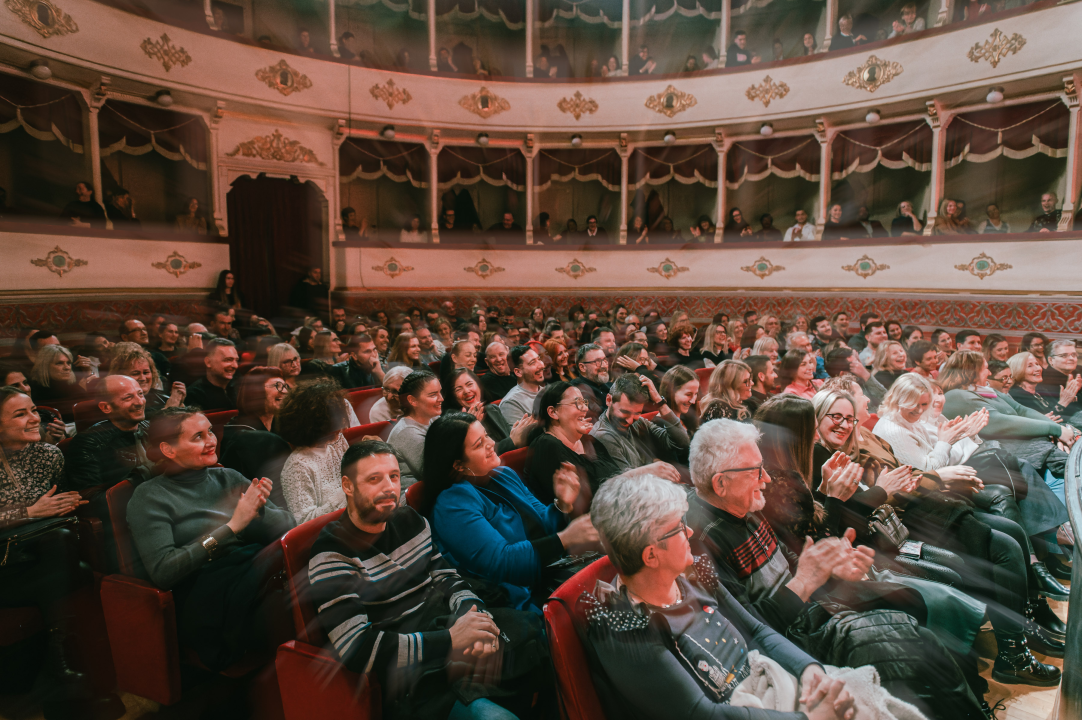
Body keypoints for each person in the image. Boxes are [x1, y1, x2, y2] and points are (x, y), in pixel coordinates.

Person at [685, 417, 989, 720]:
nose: (766, 478)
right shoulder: (702, 542)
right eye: (755, 471)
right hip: (795, 642)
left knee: (924, 633)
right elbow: (749, 629)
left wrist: (833, 567)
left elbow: (795, 562)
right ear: (720, 483)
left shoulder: (746, 506)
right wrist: (807, 578)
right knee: (916, 646)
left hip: (812, 612)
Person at [582, 473, 853, 720]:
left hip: (768, 688)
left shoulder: (695, 573)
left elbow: (757, 631)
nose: (689, 532)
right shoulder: (627, 630)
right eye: (678, 527)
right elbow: (704, 714)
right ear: (651, 555)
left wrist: (810, 671)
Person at [307, 440, 532, 720]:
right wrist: (451, 639)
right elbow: (357, 649)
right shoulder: (331, 554)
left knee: (544, 655)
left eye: (394, 476)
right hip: (414, 681)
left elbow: (447, 577)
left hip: (454, 643)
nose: (389, 487)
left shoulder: (409, 519)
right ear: (348, 486)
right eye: (374, 479)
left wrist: (475, 618)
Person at [128, 408, 295, 670]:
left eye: (210, 432)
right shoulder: (149, 497)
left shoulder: (227, 476)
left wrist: (258, 512)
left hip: (256, 573)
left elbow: (289, 526)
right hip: (206, 596)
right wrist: (231, 527)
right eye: (197, 436)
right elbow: (163, 571)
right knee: (295, 607)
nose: (211, 441)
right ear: (169, 450)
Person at [423, 411, 599, 611]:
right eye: (478, 444)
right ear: (459, 465)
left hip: (550, 571)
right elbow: (502, 564)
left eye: (486, 435)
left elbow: (544, 525)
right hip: (516, 597)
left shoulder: (503, 474)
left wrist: (562, 505)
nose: (491, 443)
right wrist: (565, 538)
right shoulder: (452, 504)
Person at [0, 387, 97, 702]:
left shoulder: (49, 455)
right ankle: (66, 657)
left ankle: (60, 659)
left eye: (32, 410)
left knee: (63, 542)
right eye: (20, 414)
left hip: (46, 555)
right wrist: (28, 512)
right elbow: (40, 510)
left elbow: (59, 508)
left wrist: (70, 504)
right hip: (6, 565)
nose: (33, 419)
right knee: (75, 566)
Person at [524, 382, 622, 508]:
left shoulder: (589, 440)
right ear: (553, 412)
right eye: (577, 403)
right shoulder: (546, 445)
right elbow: (585, 500)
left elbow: (618, 474)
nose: (585, 409)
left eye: (584, 403)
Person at [62, 374, 154, 498]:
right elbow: (90, 497)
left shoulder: (153, 428)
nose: (139, 402)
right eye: (128, 398)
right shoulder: (87, 443)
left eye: (140, 394)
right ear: (106, 407)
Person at [278, 378, 352, 523]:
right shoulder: (298, 466)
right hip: (330, 532)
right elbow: (305, 522)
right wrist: (346, 492)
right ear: (315, 424)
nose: (342, 424)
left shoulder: (337, 441)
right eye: (335, 419)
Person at [218, 368, 292, 505]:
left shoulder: (282, 425)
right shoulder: (239, 434)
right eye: (277, 386)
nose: (285, 391)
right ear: (255, 392)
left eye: (285, 386)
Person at [590, 374, 689, 474]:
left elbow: (681, 443)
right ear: (609, 400)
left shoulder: (638, 422)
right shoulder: (603, 436)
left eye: (637, 413)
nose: (629, 421)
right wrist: (653, 468)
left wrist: (659, 401)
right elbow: (625, 482)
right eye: (625, 412)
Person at [386, 370, 442, 488]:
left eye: (440, 392)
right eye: (433, 395)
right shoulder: (406, 432)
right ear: (412, 400)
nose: (441, 399)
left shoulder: (433, 418)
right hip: (415, 499)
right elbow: (436, 473)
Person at [108, 342, 185, 413]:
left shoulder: (164, 397)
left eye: (146, 372)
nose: (143, 378)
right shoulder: (117, 402)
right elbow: (141, 427)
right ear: (120, 376)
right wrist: (170, 408)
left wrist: (180, 404)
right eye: (135, 373)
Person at [1008, 351, 1081, 423]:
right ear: (1017, 370)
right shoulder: (1016, 396)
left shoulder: (1041, 390)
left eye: (1037, 364)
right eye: (1030, 366)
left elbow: (1061, 416)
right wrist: (1063, 402)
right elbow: (1044, 423)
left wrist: (1068, 400)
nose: (1038, 369)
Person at [28, 344, 88, 412]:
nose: (67, 367)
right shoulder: (35, 392)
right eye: (59, 363)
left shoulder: (75, 387)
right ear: (45, 366)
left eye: (68, 363)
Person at [184, 338, 238, 411]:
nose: (235, 366)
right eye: (228, 360)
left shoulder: (240, 387)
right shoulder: (194, 395)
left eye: (236, 360)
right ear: (208, 362)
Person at [1036, 339, 1082, 422]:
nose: (1071, 358)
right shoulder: (1042, 380)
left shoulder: (1078, 373)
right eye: (1064, 355)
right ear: (1050, 360)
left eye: (1074, 355)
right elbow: (1053, 414)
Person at [500, 346, 545, 425]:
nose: (541, 366)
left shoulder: (546, 391)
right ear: (518, 372)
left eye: (539, 359)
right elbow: (520, 436)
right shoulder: (511, 403)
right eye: (532, 362)